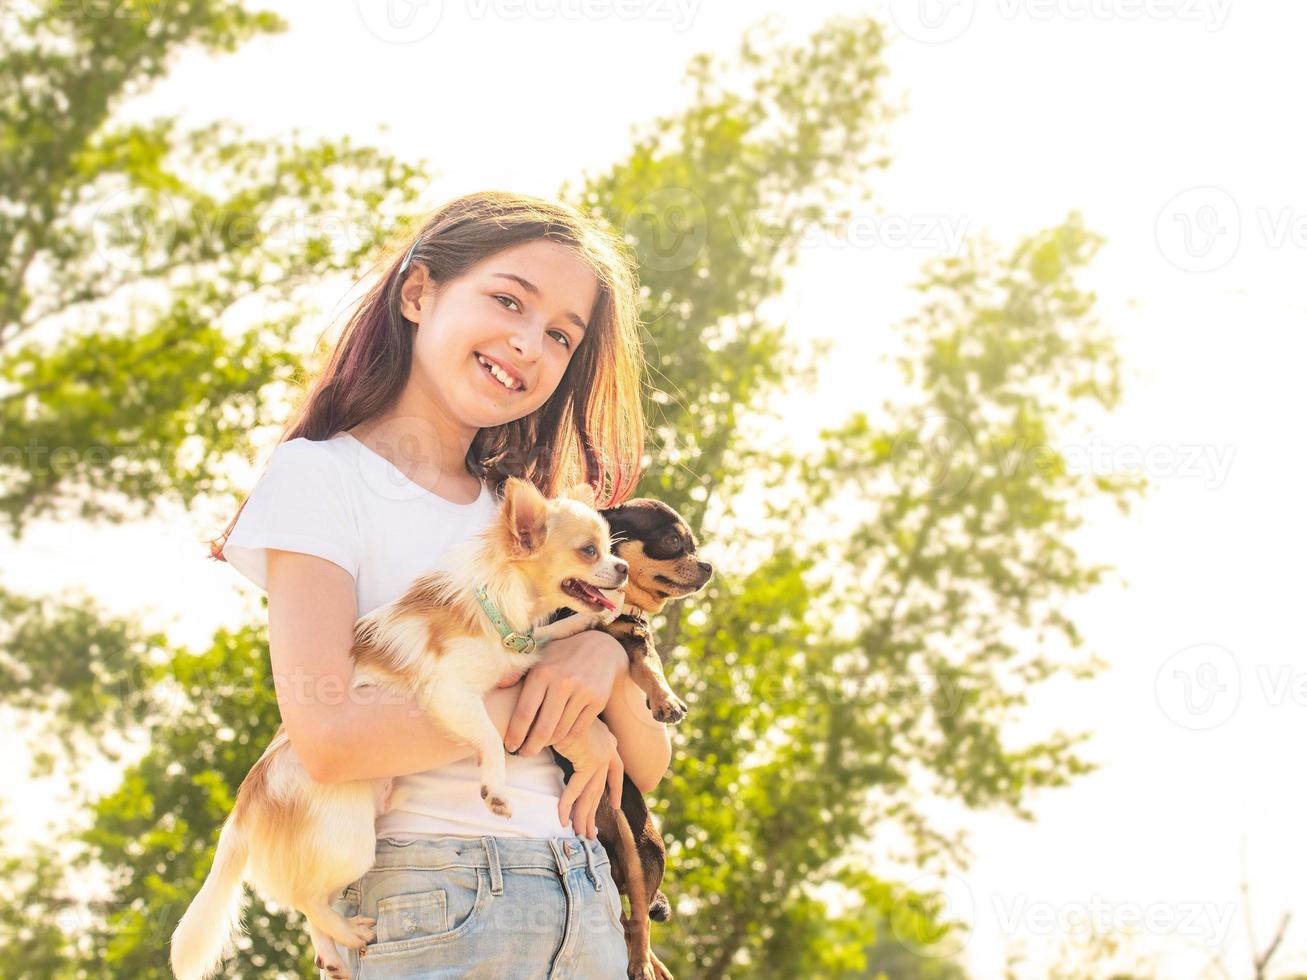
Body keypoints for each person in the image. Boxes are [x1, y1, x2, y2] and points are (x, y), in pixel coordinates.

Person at [208, 190, 668, 978]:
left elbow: (647, 763)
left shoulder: (534, 524)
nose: (529, 343)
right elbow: (328, 737)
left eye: (560, 335)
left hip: (582, 895)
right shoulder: (322, 477)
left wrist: (601, 665)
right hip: (436, 897)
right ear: (418, 293)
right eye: (507, 301)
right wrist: (542, 701)